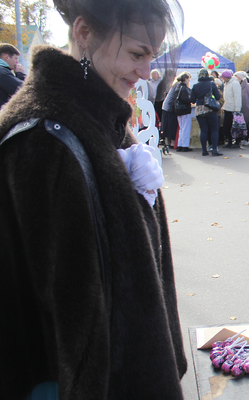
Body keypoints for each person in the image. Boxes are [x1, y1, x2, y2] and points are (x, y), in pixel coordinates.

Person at [0, 0, 188, 398]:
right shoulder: (43, 137)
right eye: (137, 53)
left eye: (151, 56)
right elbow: (63, 325)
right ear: (84, 33)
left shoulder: (96, 119)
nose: (146, 71)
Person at [190, 68, 222, 156]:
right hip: (210, 109)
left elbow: (192, 99)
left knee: (203, 130)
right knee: (214, 130)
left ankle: (204, 150)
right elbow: (218, 96)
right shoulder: (211, 84)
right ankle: (214, 149)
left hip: (199, 110)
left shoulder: (195, 86)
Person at [172, 71, 193, 152]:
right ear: (185, 79)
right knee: (186, 128)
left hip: (178, 110)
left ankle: (180, 144)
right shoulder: (184, 88)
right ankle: (185, 145)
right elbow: (185, 99)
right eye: (188, 79)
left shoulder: (177, 87)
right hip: (185, 110)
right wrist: (191, 100)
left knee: (181, 128)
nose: (189, 81)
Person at [235, 70, 249, 146]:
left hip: (248, 109)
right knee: (241, 125)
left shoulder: (248, 86)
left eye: (237, 77)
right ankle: (243, 138)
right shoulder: (236, 85)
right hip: (239, 109)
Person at [221, 70, 239, 148]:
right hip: (227, 108)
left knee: (235, 126)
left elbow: (237, 97)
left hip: (233, 109)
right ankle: (229, 141)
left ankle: (237, 142)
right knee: (227, 126)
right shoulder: (226, 84)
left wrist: (237, 109)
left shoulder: (235, 83)